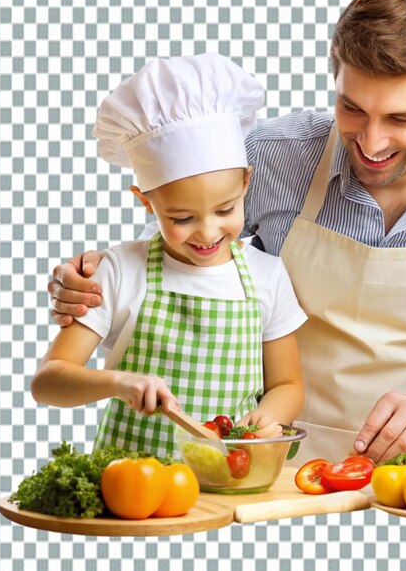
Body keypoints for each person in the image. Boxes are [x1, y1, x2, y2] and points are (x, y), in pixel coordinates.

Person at [47, 0, 406, 464]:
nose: (371, 144)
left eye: (400, 119)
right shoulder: (269, 156)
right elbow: (173, 256)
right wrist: (97, 279)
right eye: (351, 107)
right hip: (265, 464)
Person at [32, 53, 306, 459]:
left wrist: (265, 419)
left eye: (226, 209)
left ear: (247, 182)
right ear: (146, 201)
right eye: (181, 217)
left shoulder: (268, 276)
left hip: (225, 485)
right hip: (133, 492)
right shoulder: (121, 271)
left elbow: (288, 384)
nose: (209, 232)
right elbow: (48, 382)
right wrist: (118, 382)